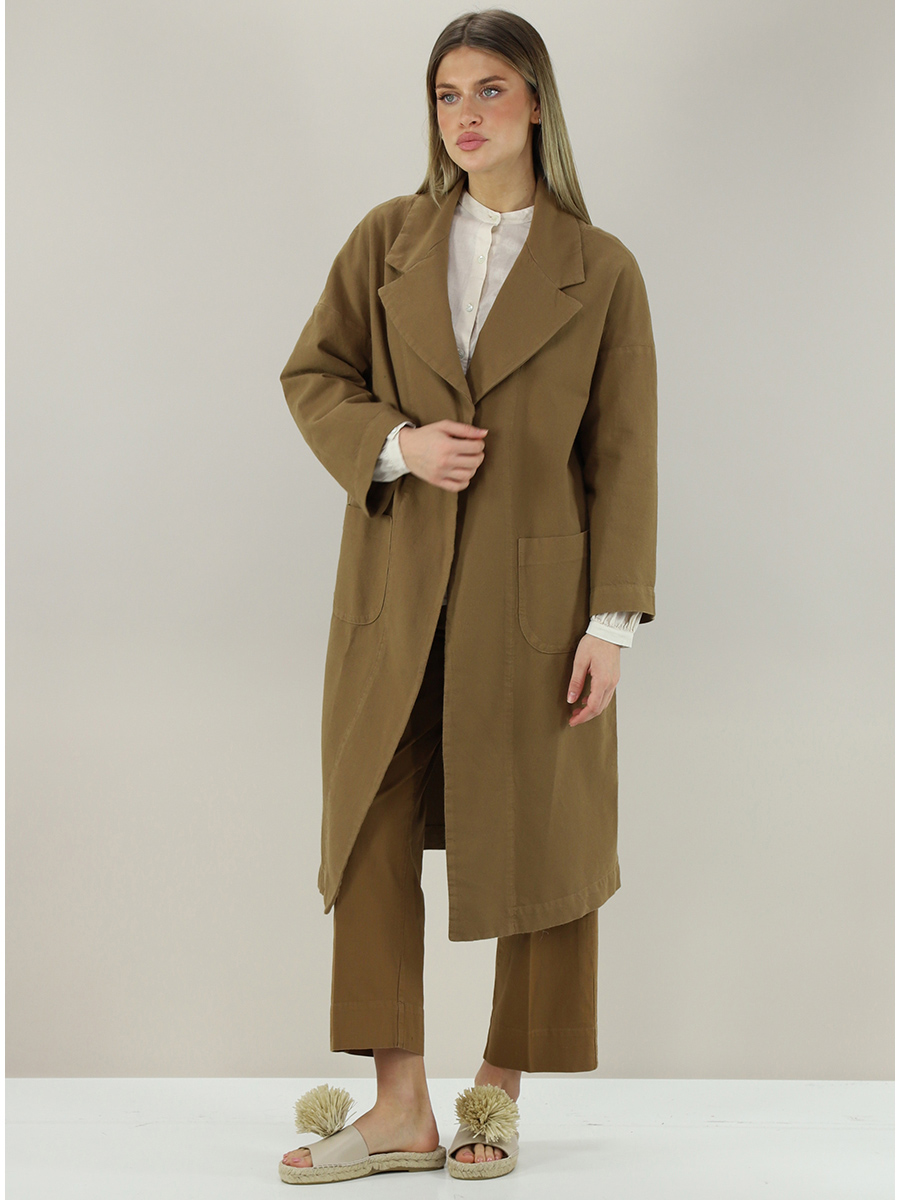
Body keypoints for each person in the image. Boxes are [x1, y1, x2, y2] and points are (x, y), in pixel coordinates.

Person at [277, 7, 657, 1184]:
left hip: (537, 607)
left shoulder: (601, 269)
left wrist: (611, 623)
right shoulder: (386, 240)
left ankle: (497, 1092)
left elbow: (624, 455)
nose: (467, 115)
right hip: (395, 588)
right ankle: (399, 1107)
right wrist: (397, 444)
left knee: (540, 838)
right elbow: (315, 374)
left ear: (537, 101)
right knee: (371, 826)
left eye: (490, 89)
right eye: (448, 95)